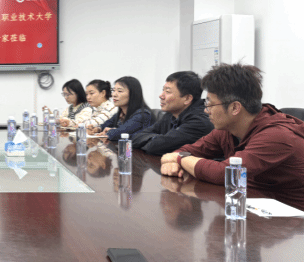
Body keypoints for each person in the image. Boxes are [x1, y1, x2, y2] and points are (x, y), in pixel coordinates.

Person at [161, 63, 304, 210]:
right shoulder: (227, 130)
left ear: (235, 108)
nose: (206, 110)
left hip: (291, 217)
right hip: (252, 208)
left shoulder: (276, 135)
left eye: (210, 104)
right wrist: (174, 160)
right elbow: (183, 151)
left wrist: (180, 159)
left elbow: (226, 173)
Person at [132, 71, 214, 155]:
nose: (161, 96)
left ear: (187, 99)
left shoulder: (199, 121)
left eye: (167, 92)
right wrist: (158, 138)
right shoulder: (171, 114)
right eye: (163, 90)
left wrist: (157, 139)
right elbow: (136, 137)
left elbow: (154, 147)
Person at [88, 76, 153, 142]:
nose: (114, 95)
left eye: (120, 91)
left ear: (133, 94)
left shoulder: (142, 114)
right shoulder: (121, 113)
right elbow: (107, 124)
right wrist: (97, 129)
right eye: (113, 90)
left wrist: (110, 131)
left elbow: (120, 133)